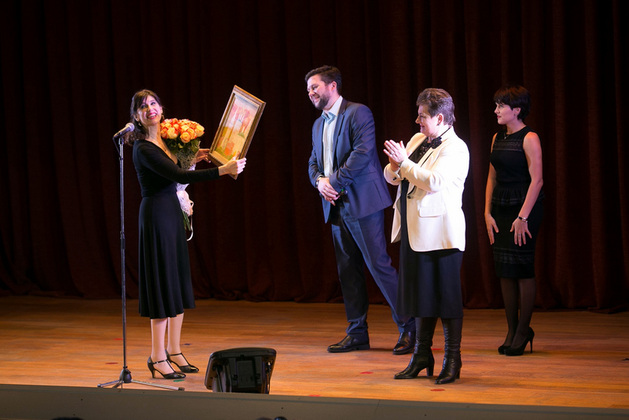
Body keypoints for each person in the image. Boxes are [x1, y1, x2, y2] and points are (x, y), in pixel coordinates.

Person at [124, 89, 246, 379]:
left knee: (176, 280)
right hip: (156, 215)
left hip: (171, 212)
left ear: (161, 107)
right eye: (143, 106)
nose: (150, 109)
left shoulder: (165, 140)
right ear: (136, 116)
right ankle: (157, 356)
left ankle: (175, 350)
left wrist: (198, 155)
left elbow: (178, 167)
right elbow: (179, 176)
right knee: (162, 284)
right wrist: (222, 170)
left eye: (154, 103)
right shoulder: (143, 148)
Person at [306, 65, 415, 355]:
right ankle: (357, 333)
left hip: (362, 202)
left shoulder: (358, 113)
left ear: (332, 86)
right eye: (308, 89)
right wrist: (319, 182)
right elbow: (313, 162)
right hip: (335, 205)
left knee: (378, 265)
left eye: (315, 87)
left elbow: (363, 154)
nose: (310, 93)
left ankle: (409, 327)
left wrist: (332, 183)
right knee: (348, 271)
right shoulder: (318, 125)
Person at [383, 88, 469, 384]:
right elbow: (393, 176)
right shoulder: (419, 140)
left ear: (440, 118)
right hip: (415, 230)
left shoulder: (456, 148)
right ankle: (421, 354)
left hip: (441, 234)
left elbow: (434, 181)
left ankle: (453, 359)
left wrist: (403, 164)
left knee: (446, 299)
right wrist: (395, 165)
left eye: (422, 116)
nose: (417, 121)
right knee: (421, 296)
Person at [484, 84, 543, 356]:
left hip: (524, 207)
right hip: (501, 206)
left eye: (501, 106)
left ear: (516, 110)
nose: (496, 110)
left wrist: (523, 217)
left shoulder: (530, 137)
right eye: (496, 105)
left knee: (522, 268)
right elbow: (491, 177)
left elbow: (537, 180)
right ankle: (511, 330)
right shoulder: (497, 138)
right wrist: (486, 213)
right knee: (505, 269)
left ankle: (523, 330)